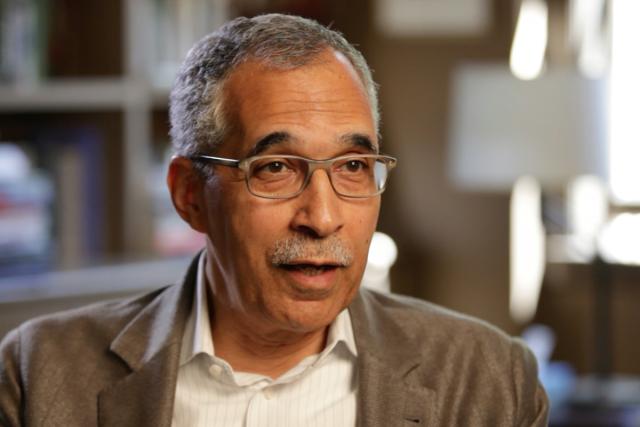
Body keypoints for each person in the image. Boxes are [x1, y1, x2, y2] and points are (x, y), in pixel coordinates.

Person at [0, 14, 548, 426]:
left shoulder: (489, 381)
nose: (323, 218)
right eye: (277, 168)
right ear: (190, 194)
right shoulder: (37, 373)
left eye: (354, 166)